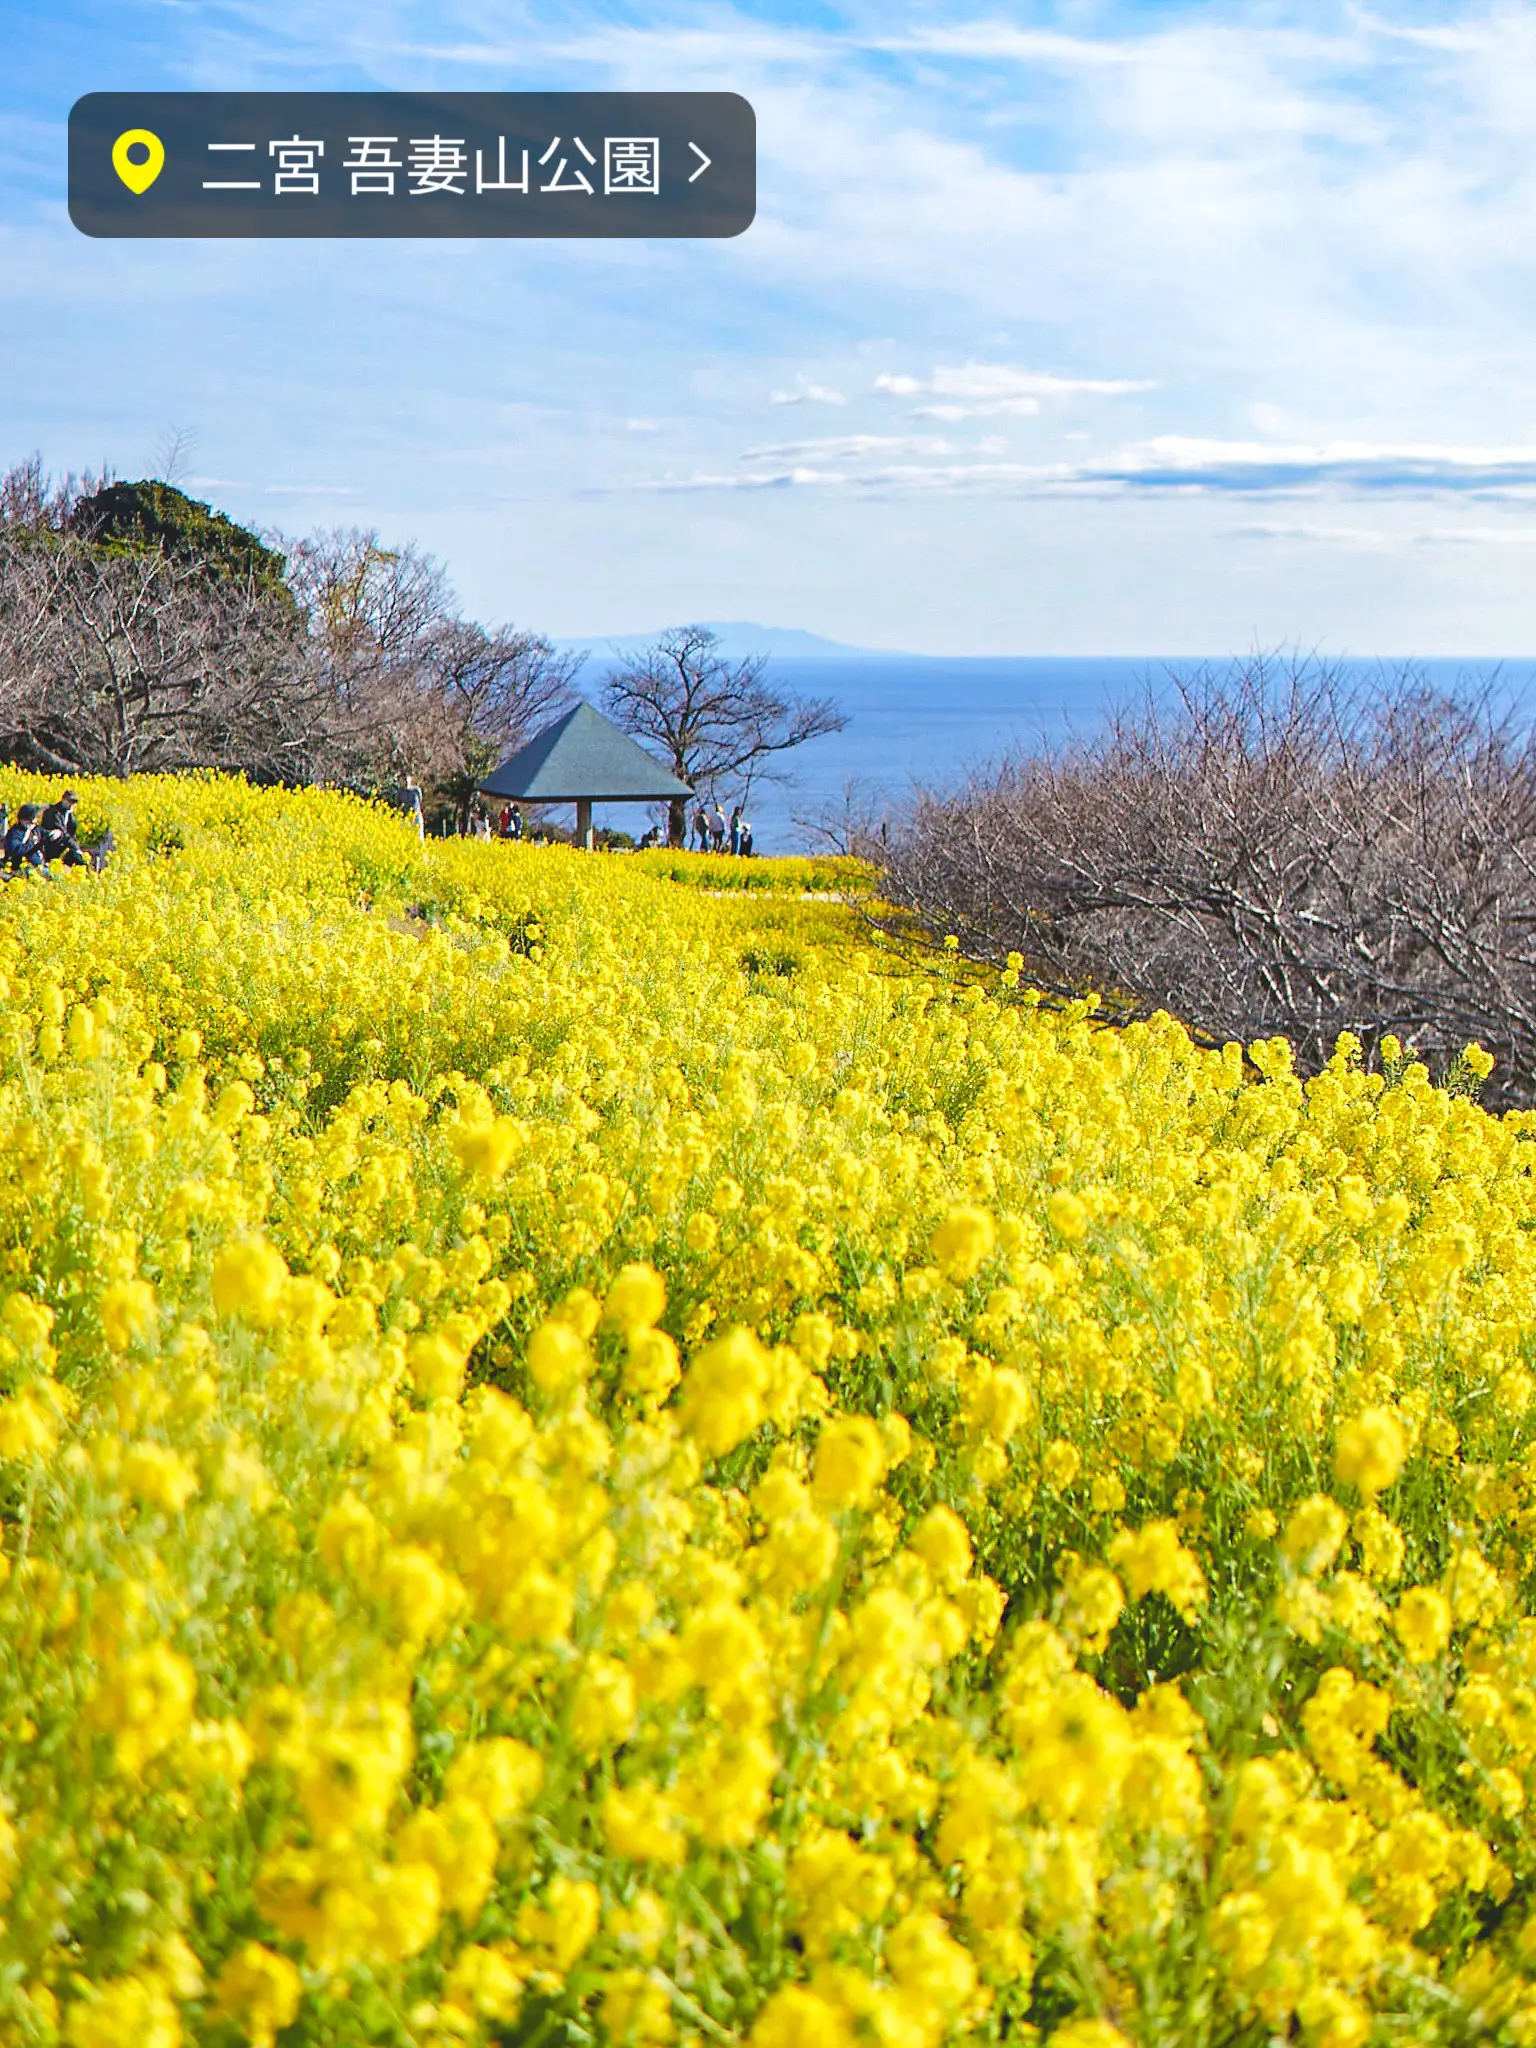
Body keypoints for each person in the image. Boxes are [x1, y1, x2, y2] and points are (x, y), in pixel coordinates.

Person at [39, 790, 86, 868]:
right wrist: (76, 847)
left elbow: (72, 834)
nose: (71, 804)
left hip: (64, 848)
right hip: (51, 850)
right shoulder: (53, 812)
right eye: (69, 801)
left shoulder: (69, 814)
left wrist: (77, 848)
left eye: (73, 802)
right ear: (63, 799)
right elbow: (63, 834)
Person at [4, 805, 44, 874]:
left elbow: (45, 834)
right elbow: (16, 850)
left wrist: (53, 834)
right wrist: (32, 844)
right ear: (25, 820)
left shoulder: (34, 829)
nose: (35, 820)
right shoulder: (14, 833)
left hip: (39, 866)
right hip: (23, 868)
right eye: (33, 818)